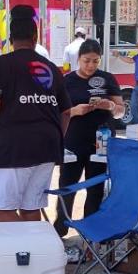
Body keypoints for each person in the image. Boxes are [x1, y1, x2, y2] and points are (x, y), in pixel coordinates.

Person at [0, 5, 71, 222]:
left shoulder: (2, 64)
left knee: (5, 209)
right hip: (47, 147)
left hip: (12, 148)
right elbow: (66, 112)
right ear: (35, 37)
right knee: (31, 208)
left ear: (10, 38)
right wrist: (56, 137)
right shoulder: (50, 67)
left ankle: (23, 252)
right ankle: (32, 254)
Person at [54, 39, 123, 237]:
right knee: (67, 187)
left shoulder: (108, 78)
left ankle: (89, 233)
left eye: (95, 61)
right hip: (73, 143)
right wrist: (74, 111)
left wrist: (110, 106)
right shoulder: (67, 81)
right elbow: (56, 112)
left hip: (100, 144)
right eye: (86, 61)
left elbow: (120, 111)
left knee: (95, 189)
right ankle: (60, 228)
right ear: (78, 59)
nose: (91, 65)